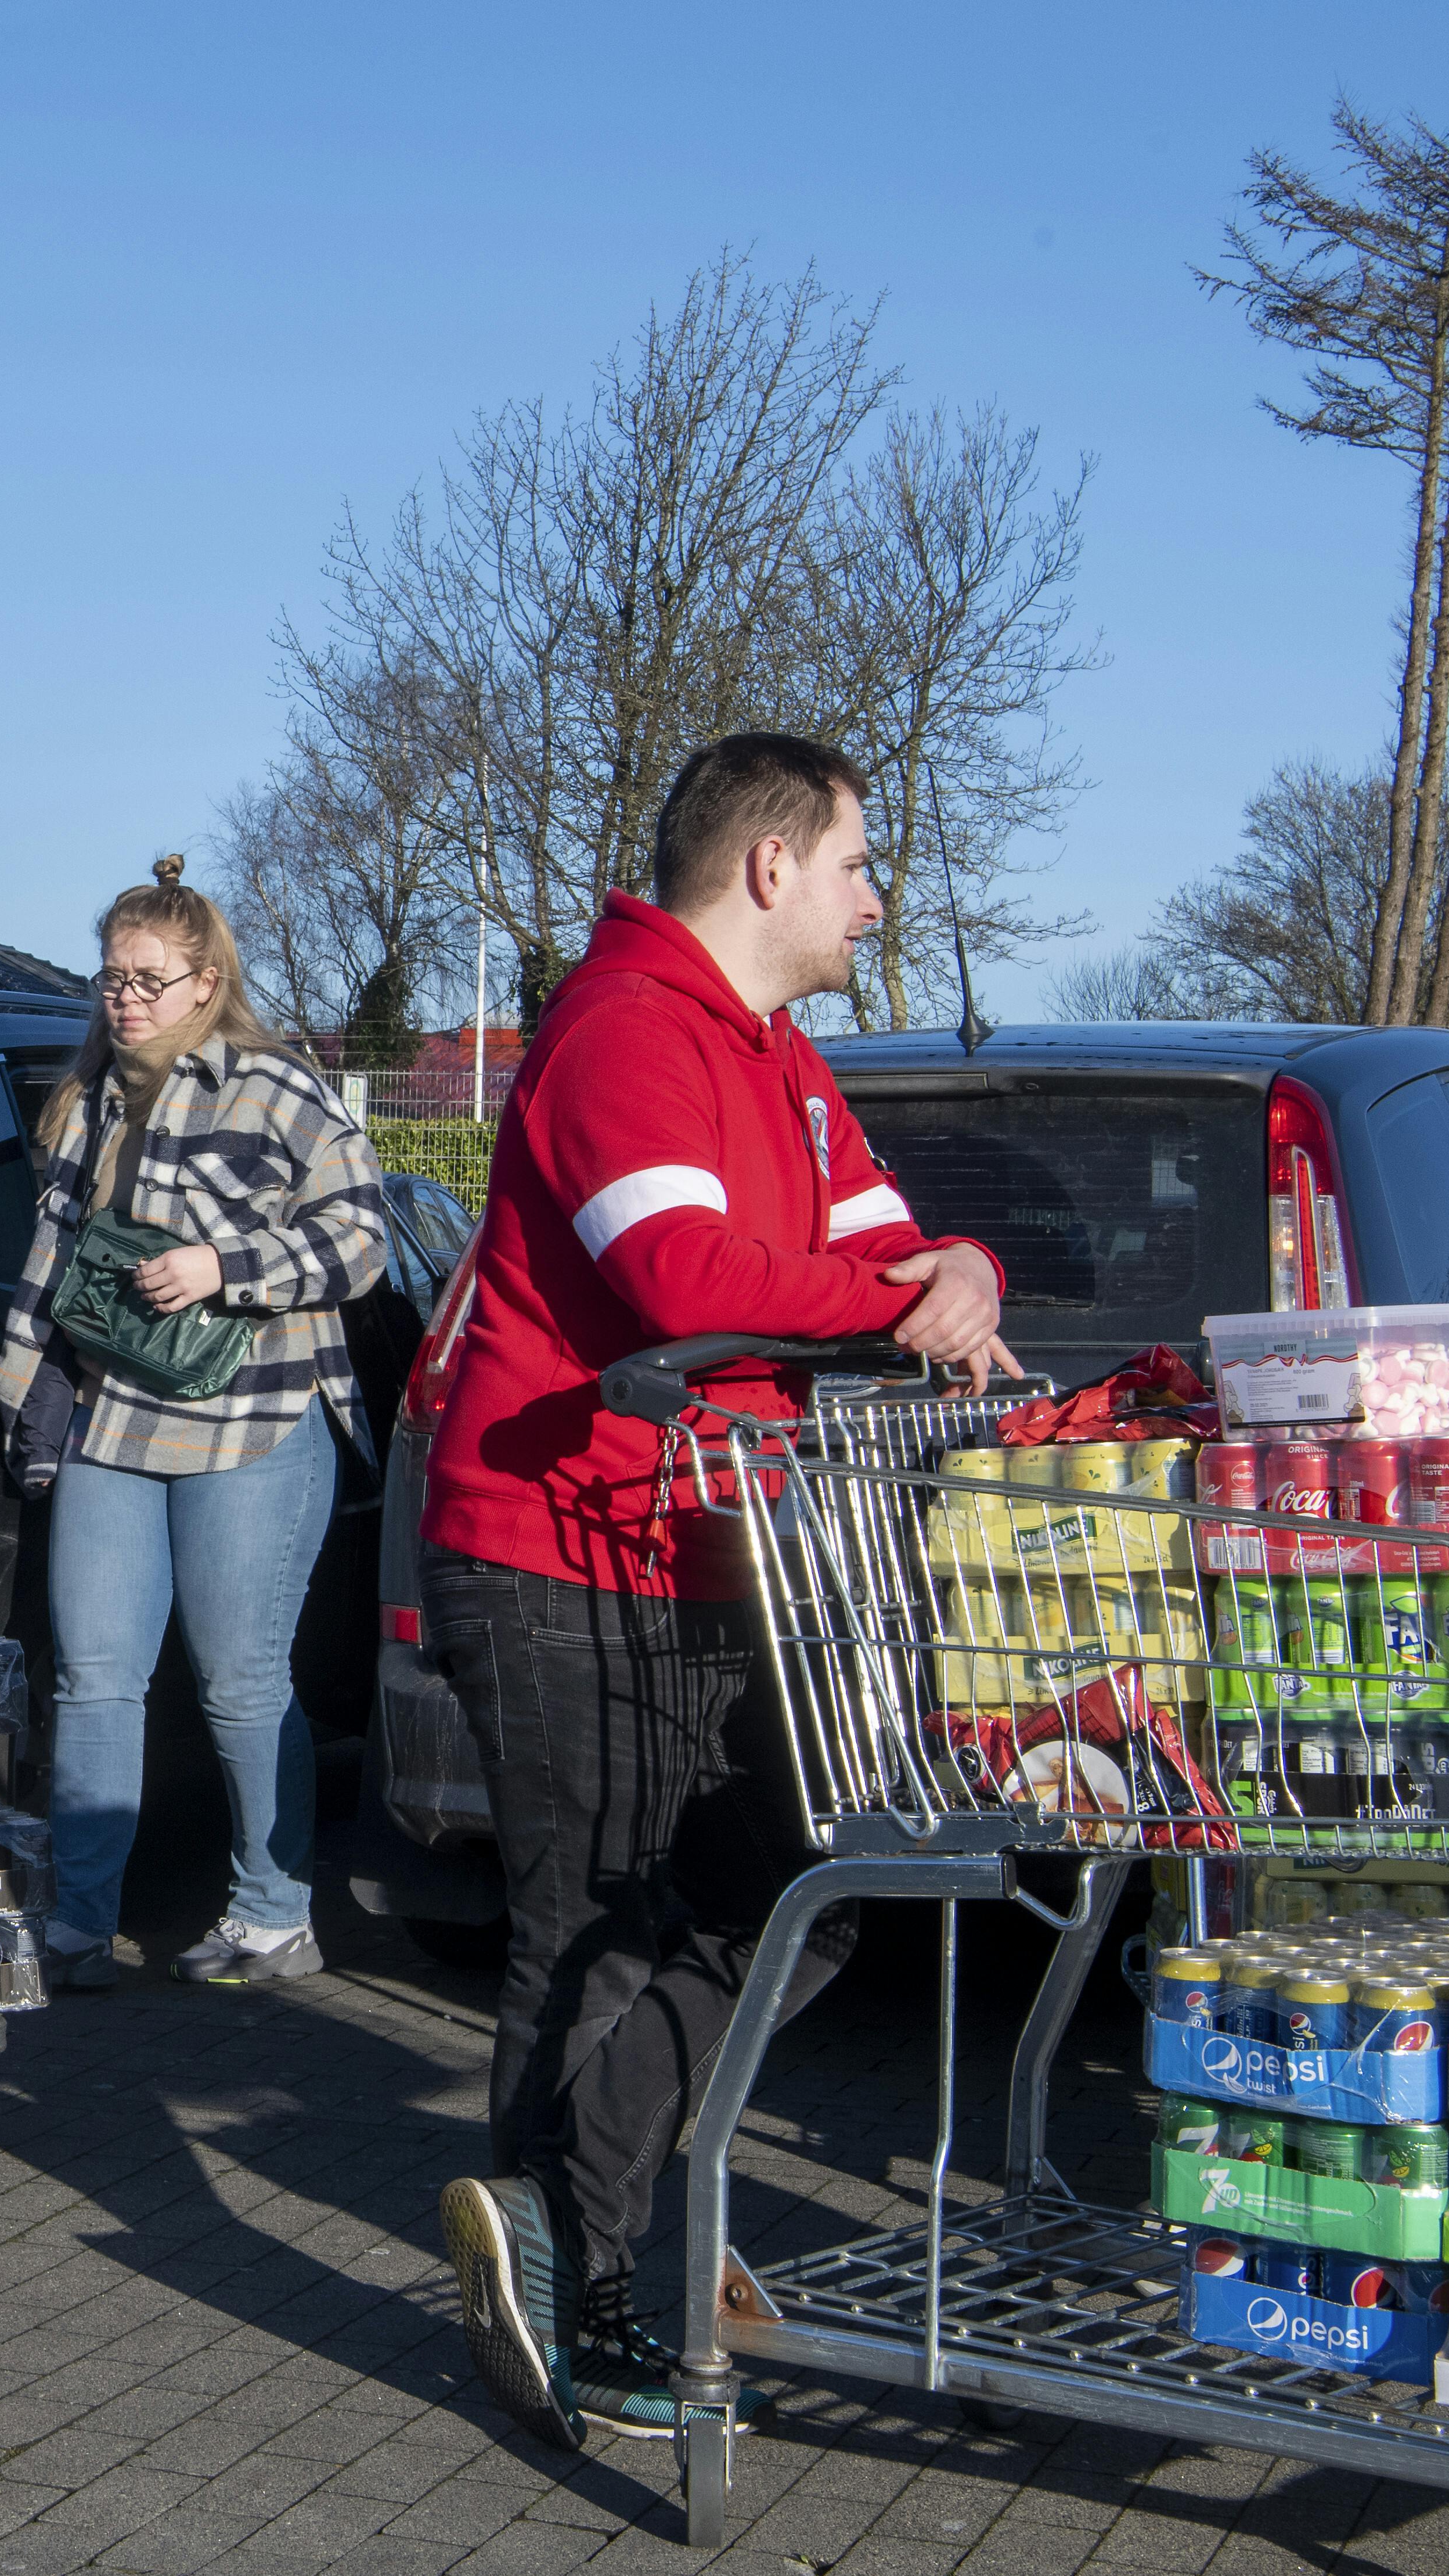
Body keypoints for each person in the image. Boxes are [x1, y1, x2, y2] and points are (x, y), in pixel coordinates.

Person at [422, 733, 1017, 2444]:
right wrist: (889, 1302)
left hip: (708, 1538)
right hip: (556, 1538)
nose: (872, 897)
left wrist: (957, 1271)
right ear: (768, 868)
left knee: (795, 1873)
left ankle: (583, 2216)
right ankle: (566, 2293)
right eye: (853, 863)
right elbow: (673, 1272)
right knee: (587, 1931)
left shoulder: (774, 1056)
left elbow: (896, 1244)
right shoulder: (620, 1033)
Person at [0, 857, 390, 1991]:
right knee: (94, 1679)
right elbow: (52, 1257)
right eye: (111, 977)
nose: (122, 998)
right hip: (114, 1425)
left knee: (243, 1680)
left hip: (254, 1423)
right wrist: (22, 1386)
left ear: (207, 982)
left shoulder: (275, 1088)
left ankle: (272, 1914)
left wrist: (229, 1264)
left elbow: (359, 1238)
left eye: (147, 979)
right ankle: (77, 1924)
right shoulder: (88, 1099)